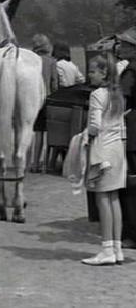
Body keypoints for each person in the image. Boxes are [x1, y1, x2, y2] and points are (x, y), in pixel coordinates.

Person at [81, 54, 127, 266]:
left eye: (92, 71)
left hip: (103, 151)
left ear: (103, 73)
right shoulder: (117, 94)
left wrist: (83, 135)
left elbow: (95, 126)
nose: (89, 75)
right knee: (114, 198)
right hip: (118, 150)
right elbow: (121, 127)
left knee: (102, 199)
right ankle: (117, 248)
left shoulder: (98, 94)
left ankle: (107, 248)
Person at [116, 27, 136, 246]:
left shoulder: (130, 71)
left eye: (124, 45)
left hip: (132, 130)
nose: (120, 48)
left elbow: (121, 99)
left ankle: (131, 233)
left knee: (130, 184)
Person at [30, 33, 60, 173]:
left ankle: (34, 163)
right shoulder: (51, 62)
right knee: (48, 133)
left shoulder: (30, 61)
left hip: (33, 99)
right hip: (47, 99)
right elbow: (54, 83)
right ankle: (46, 164)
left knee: (36, 133)